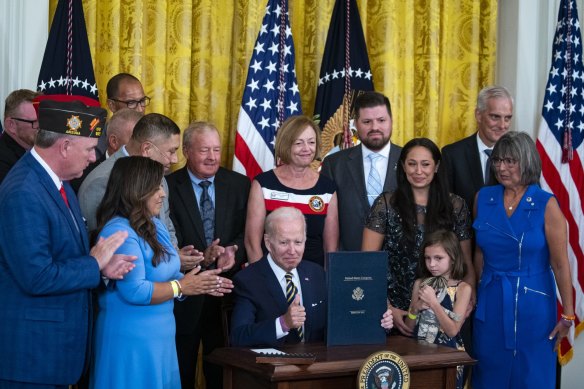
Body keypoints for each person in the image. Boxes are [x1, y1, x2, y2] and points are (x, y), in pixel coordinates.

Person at [0, 96, 135, 388]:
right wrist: (94, 263)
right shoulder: (24, 191)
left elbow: (64, 251)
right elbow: (37, 276)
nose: (93, 157)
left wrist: (102, 268)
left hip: (54, 355)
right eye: (89, 149)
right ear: (64, 146)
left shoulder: (57, 183)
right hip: (32, 360)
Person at [89, 156, 233, 389]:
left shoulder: (154, 224)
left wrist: (197, 282)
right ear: (137, 189)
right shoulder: (119, 231)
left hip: (160, 335)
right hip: (131, 340)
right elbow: (134, 290)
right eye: (156, 187)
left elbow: (168, 274)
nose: (163, 194)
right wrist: (181, 287)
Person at [472, 131, 574, 389]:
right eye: (497, 161)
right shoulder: (482, 198)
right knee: (489, 373)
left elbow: (561, 264)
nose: (501, 168)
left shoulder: (546, 204)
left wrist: (569, 315)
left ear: (527, 161)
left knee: (531, 376)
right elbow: (479, 253)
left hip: (534, 305)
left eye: (510, 161)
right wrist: (474, 291)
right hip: (491, 301)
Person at [231, 207, 394, 347]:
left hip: (317, 370)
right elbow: (238, 337)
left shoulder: (316, 273)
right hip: (271, 373)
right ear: (268, 242)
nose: (292, 250)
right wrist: (283, 323)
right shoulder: (248, 280)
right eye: (284, 243)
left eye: (298, 242)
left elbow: (342, 320)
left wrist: (378, 321)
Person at [362, 138, 475, 336]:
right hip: (393, 315)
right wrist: (387, 307)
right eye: (412, 164)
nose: (418, 171)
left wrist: (467, 300)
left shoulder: (455, 206)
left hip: (442, 314)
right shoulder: (387, 204)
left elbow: (466, 264)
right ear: (403, 166)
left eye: (425, 164)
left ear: (437, 166)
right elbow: (366, 263)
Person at [167, 122, 250, 389]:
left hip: (226, 295)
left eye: (216, 149)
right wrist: (201, 256)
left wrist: (233, 251)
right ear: (187, 150)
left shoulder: (240, 184)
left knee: (221, 374)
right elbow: (166, 239)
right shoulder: (167, 186)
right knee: (181, 371)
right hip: (183, 297)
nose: (212, 157)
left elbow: (247, 234)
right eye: (204, 150)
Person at [245, 115, 338, 267]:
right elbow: (252, 243)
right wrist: (263, 282)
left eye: (311, 142)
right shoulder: (263, 184)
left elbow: (330, 248)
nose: (306, 149)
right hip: (270, 279)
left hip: (314, 277)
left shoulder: (327, 189)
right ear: (286, 145)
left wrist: (325, 284)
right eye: (299, 143)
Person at [321, 91, 402, 251]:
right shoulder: (334, 164)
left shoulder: (409, 161)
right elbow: (328, 223)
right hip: (350, 263)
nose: (375, 127)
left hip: (402, 265)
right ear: (355, 124)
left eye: (381, 120)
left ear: (391, 121)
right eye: (367, 121)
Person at [405, 230, 471, 389]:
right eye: (427, 258)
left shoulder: (463, 289)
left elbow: (453, 331)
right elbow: (408, 328)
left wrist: (434, 303)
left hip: (448, 357)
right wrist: (415, 309)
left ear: (453, 258)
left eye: (438, 258)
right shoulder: (420, 284)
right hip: (418, 355)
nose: (432, 264)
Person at [441, 85, 513, 211]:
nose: (502, 125)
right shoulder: (453, 155)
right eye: (495, 117)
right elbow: (444, 206)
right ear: (478, 115)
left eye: (507, 118)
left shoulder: (519, 156)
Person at [70, 108, 143, 192]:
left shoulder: (153, 170)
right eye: (135, 139)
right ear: (114, 142)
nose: (144, 148)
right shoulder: (87, 179)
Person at [94, 73, 149, 159]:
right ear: (112, 105)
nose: (140, 109)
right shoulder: (95, 146)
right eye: (131, 103)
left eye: (142, 101)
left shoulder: (154, 136)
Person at [0, 89, 39, 183]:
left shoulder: (39, 149)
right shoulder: (3, 163)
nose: (40, 126)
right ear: (11, 125)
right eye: (34, 122)